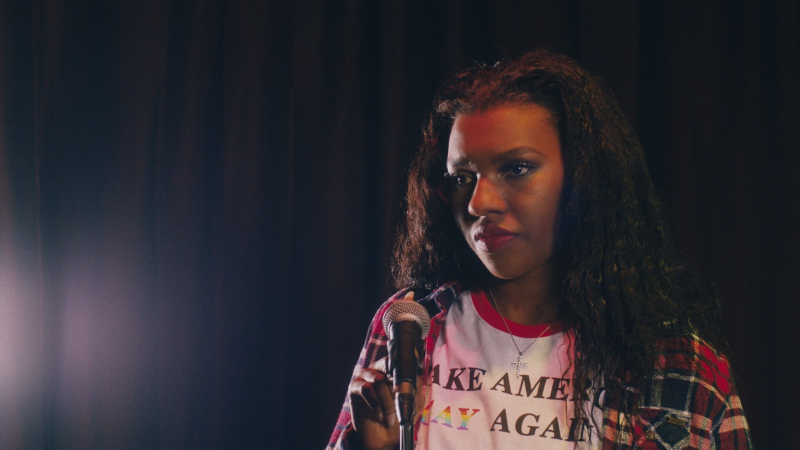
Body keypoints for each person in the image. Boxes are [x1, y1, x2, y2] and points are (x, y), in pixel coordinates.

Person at [327, 49, 753, 450]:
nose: (479, 202)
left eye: (516, 169)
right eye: (462, 178)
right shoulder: (409, 326)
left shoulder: (677, 363)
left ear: (583, 176)